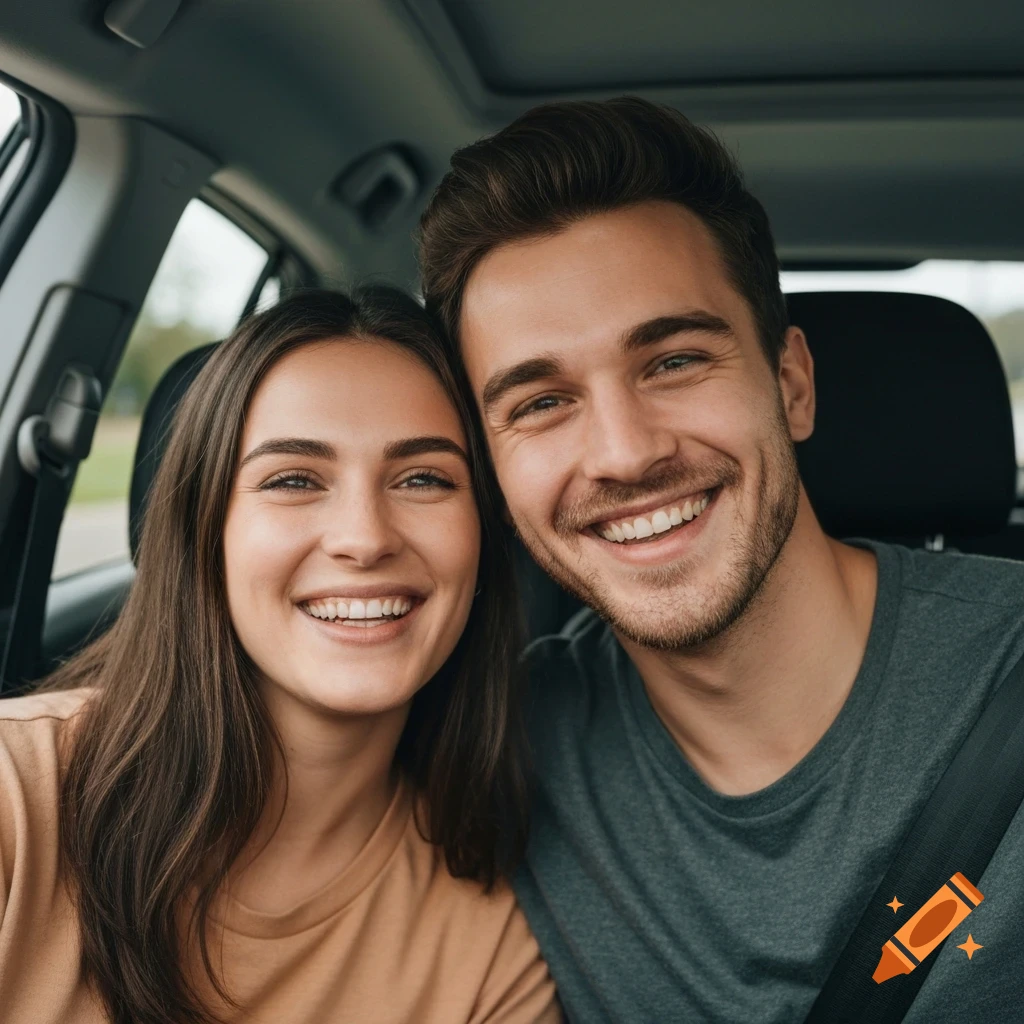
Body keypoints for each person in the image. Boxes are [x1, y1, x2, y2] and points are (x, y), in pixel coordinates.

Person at [418, 97, 1024, 1022]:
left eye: (673, 361)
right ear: (491, 469)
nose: (625, 453)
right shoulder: (488, 746)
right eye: (539, 402)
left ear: (791, 384)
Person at [0, 288, 560, 1024]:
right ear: (206, 531)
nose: (364, 538)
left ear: (486, 537)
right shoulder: (17, 800)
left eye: (424, 478)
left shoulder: (492, 942)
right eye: (293, 479)